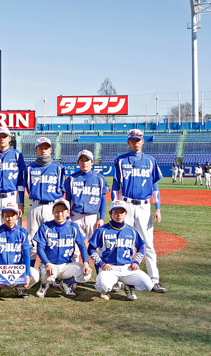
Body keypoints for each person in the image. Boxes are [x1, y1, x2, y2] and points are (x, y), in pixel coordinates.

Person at [112, 129, 166, 293]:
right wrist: (115, 206)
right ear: (128, 142)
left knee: (148, 243)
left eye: (138, 140)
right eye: (133, 140)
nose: (136, 142)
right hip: (126, 204)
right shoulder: (120, 161)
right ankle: (120, 280)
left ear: (143, 142)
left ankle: (154, 280)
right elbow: (116, 185)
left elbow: (154, 186)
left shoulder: (150, 161)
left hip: (144, 206)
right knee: (121, 241)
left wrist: (157, 208)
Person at [88, 200, 153, 301]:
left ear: (126, 213)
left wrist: (136, 262)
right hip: (109, 268)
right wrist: (101, 264)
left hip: (128, 268)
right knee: (102, 287)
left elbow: (141, 247)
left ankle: (128, 285)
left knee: (148, 286)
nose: (119, 215)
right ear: (110, 213)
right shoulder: (102, 230)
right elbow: (91, 249)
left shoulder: (132, 230)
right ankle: (107, 289)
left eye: (121, 212)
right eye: (116, 212)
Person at [32, 198, 91, 298]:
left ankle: (65, 283)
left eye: (63, 212)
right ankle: (44, 285)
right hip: (50, 264)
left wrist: (86, 263)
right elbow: (40, 248)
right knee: (48, 277)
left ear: (68, 213)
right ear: (53, 212)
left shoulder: (73, 227)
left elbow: (82, 246)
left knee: (86, 275)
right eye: (57, 211)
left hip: (66, 265)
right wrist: (47, 263)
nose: (60, 214)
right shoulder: (45, 227)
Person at [0, 202, 39, 299]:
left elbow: (26, 255)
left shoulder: (23, 233)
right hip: (1, 270)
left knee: (35, 275)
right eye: (7, 215)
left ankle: (19, 287)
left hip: (17, 270)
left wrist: (27, 274)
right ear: (2, 216)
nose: (10, 218)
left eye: (12, 215)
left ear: (17, 216)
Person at [25, 136, 65, 264]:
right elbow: (27, 187)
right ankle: (30, 272)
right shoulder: (30, 168)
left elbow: (62, 190)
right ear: (36, 149)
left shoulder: (58, 168)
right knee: (31, 240)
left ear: (51, 150)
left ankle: (47, 272)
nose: (43, 150)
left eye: (46, 148)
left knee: (50, 240)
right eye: (41, 148)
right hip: (34, 206)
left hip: (51, 207)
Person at [63, 149, 108, 241]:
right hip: (76, 216)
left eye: (87, 160)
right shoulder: (71, 179)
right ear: (78, 162)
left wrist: (101, 218)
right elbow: (67, 199)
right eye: (82, 160)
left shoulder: (100, 179)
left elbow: (103, 200)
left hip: (93, 217)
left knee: (95, 246)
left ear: (92, 162)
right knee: (74, 246)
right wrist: (67, 216)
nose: (84, 163)